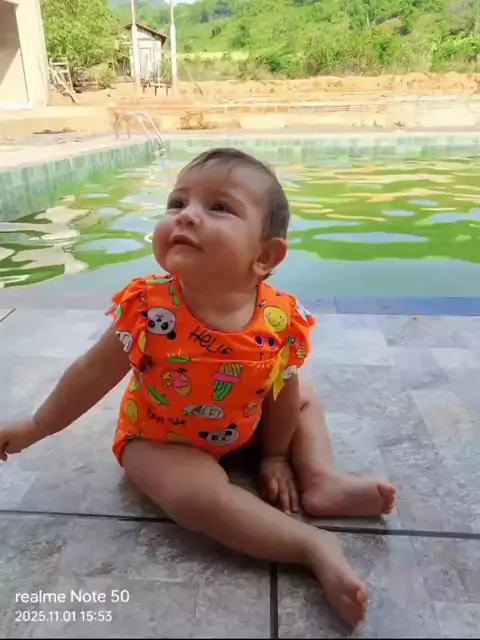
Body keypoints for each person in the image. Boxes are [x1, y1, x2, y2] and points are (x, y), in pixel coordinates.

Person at [0, 148, 395, 625]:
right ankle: (310, 544)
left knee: (302, 395)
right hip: (161, 439)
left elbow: (282, 393)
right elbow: (90, 374)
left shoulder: (279, 318)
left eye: (219, 207)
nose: (186, 215)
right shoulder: (147, 307)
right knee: (194, 495)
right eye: (177, 203)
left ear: (265, 256)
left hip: (244, 424)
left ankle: (319, 479)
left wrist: (274, 455)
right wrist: (36, 426)